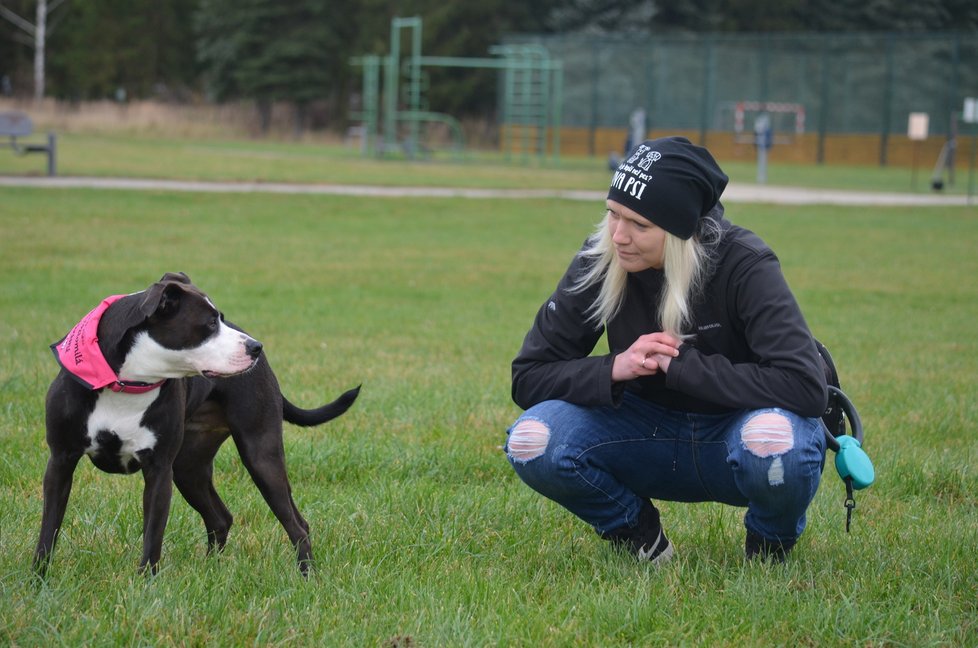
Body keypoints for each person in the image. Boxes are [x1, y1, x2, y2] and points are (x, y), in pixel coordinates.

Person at [505, 136, 828, 564]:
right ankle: (638, 536)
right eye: (612, 214)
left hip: (736, 435)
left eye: (639, 225)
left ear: (680, 232)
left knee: (774, 437)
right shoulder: (602, 257)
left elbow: (806, 387)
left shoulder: (745, 264)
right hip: (644, 436)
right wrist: (613, 369)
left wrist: (684, 367)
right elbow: (528, 375)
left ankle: (768, 547)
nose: (619, 236)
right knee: (531, 439)